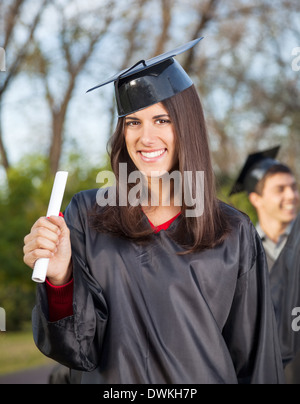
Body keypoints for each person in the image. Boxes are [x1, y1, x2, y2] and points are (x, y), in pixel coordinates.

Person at [23, 38, 284, 384]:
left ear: (186, 126)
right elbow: (77, 350)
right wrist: (60, 280)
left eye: (161, 120)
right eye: (133, 122)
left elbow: (256, 359)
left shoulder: (232, 231)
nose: (146, 137)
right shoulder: (88, 215)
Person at [229, 146, 300, 383]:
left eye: (293, 187)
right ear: (255, 199)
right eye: (280, 189)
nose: (291, 195)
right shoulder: (238, 252)